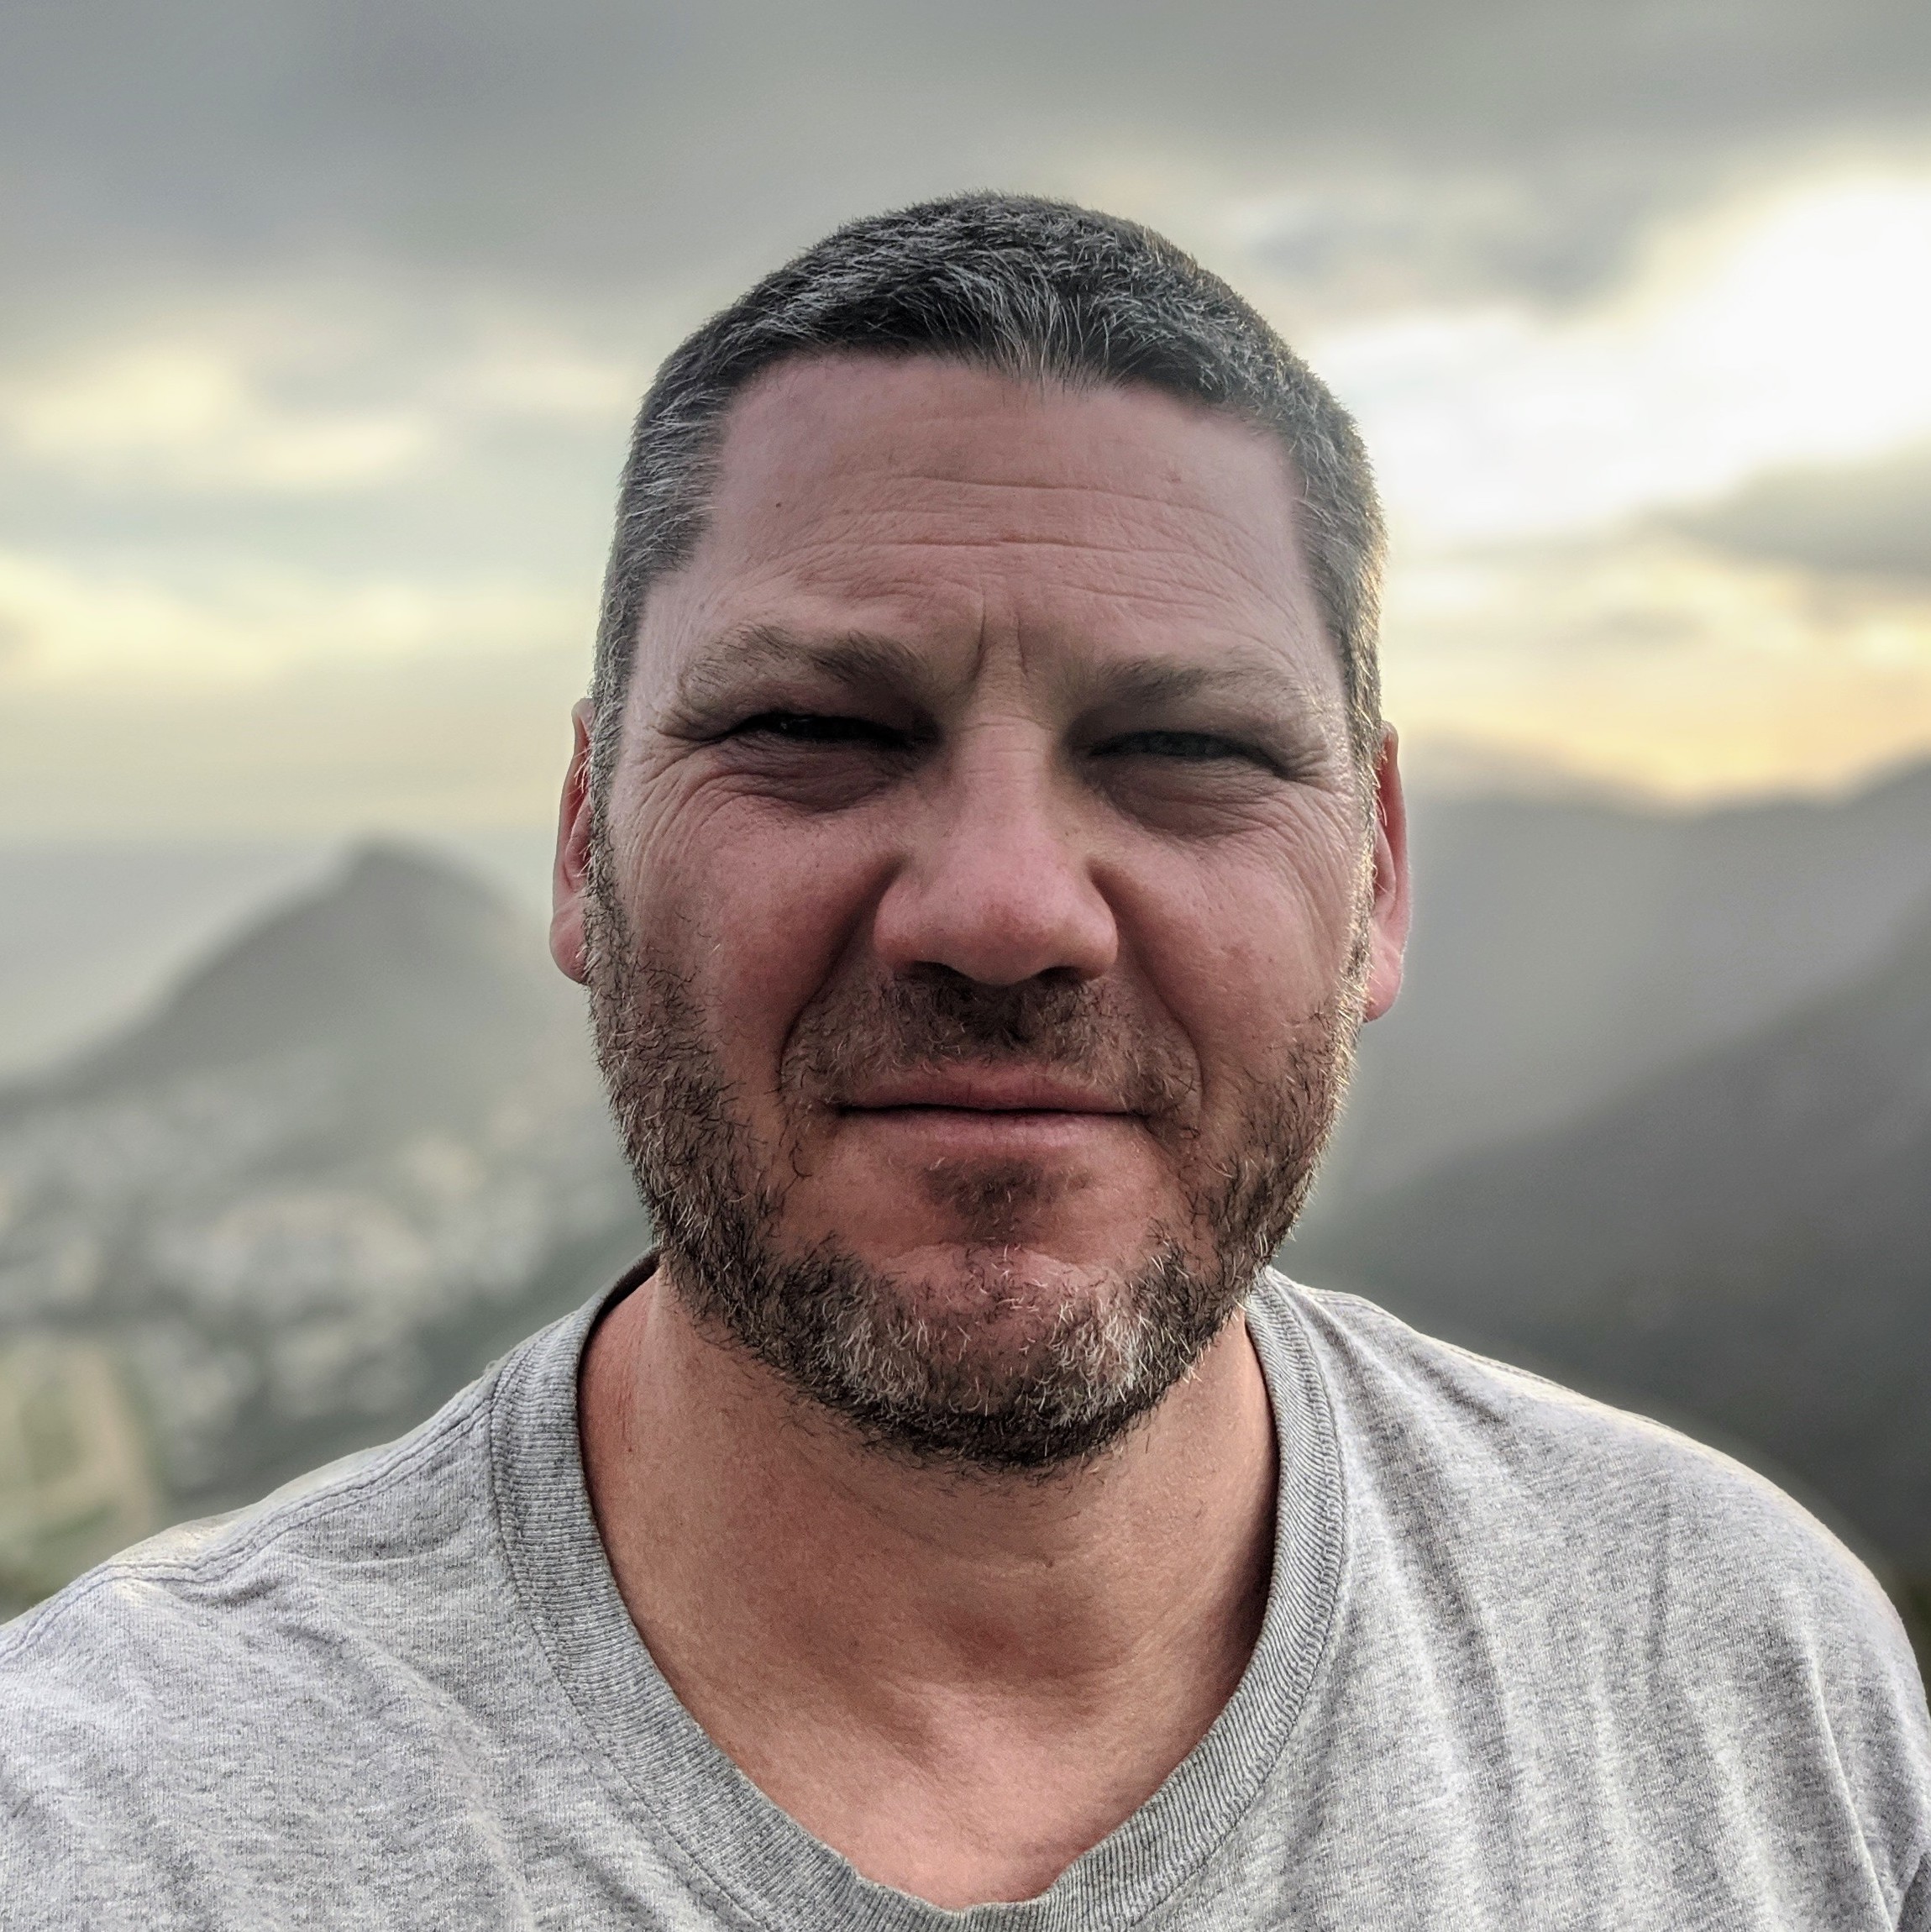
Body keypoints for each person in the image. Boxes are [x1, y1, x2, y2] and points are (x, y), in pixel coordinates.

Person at [3, 193, 1927, 1929]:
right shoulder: (112, 1830)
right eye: (813, 725)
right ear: (584, 842)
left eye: (1185, 751)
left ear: (1379, 877)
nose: (1005, 909)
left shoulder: (1740, 1674)